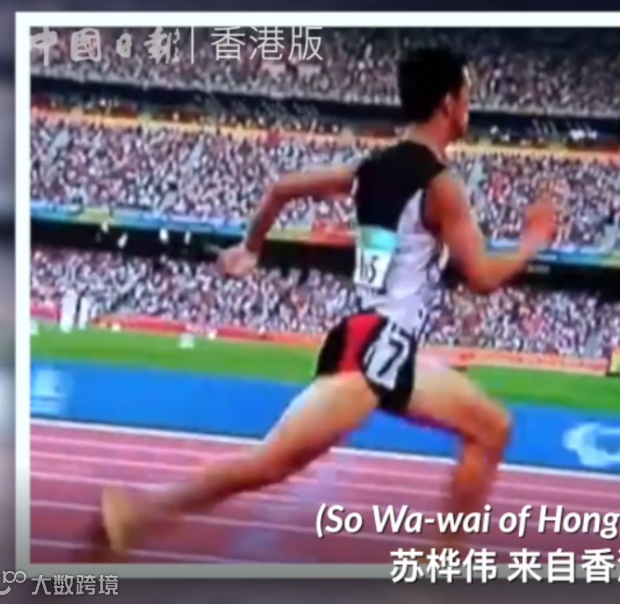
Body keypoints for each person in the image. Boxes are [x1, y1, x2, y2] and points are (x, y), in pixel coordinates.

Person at [92, 47, 557, 559]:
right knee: (270, 463)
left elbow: (281, 188)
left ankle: (439, 567)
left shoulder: (368, 169)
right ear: (449, 103)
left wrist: (252, 247)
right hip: (375, 350)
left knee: (491, 427)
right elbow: (483, 277)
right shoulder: (441, 187)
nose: (470, 104)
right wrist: (533, 241)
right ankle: (140, 511)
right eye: (467, 94)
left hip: (381, 346)